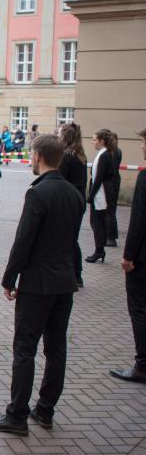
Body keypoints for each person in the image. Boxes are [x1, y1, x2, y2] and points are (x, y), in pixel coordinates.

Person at [0, 135, 84, 436]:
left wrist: (9, 278)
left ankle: (17, 415)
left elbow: (23, 240)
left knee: (24, 349)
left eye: (31, 155)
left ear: (39, 156)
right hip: (64, 281)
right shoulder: (74, 194)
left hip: (38, 283)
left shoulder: (38, 193)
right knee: (56, 348)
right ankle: (46, 409)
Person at [110, 128, 146, 384]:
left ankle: (142, 364)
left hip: (143, 258)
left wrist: (128, 255)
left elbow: (139, 221)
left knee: (139, 308)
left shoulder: (144, 178)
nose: (142, 147)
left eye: (144, 142)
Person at [58, 123, 88, 287]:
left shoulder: (67, 156)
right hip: (78, 200)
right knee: (71, 238)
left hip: (70, 202)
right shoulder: (78, 154)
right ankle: (76, 274)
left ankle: (75, 274)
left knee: (68, 239)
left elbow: (61, 181)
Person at [86, 129, 117, 263]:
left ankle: (99, 250)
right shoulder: (103, 154)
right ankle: (99, 249)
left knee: (97, 222)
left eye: (94, 140)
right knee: (95, 222)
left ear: (102, 141)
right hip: (101, 191)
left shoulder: (104, 155)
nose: (93, 142)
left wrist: (90, 196)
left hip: (102, 193)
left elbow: (99, 178)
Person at [107, 134, 123, 247]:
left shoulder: (111, 153)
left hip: (111, 182)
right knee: (112, 210)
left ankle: (111, 237)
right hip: (116, 180)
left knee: (110, 211)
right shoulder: (118, 151)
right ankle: (111, 236)